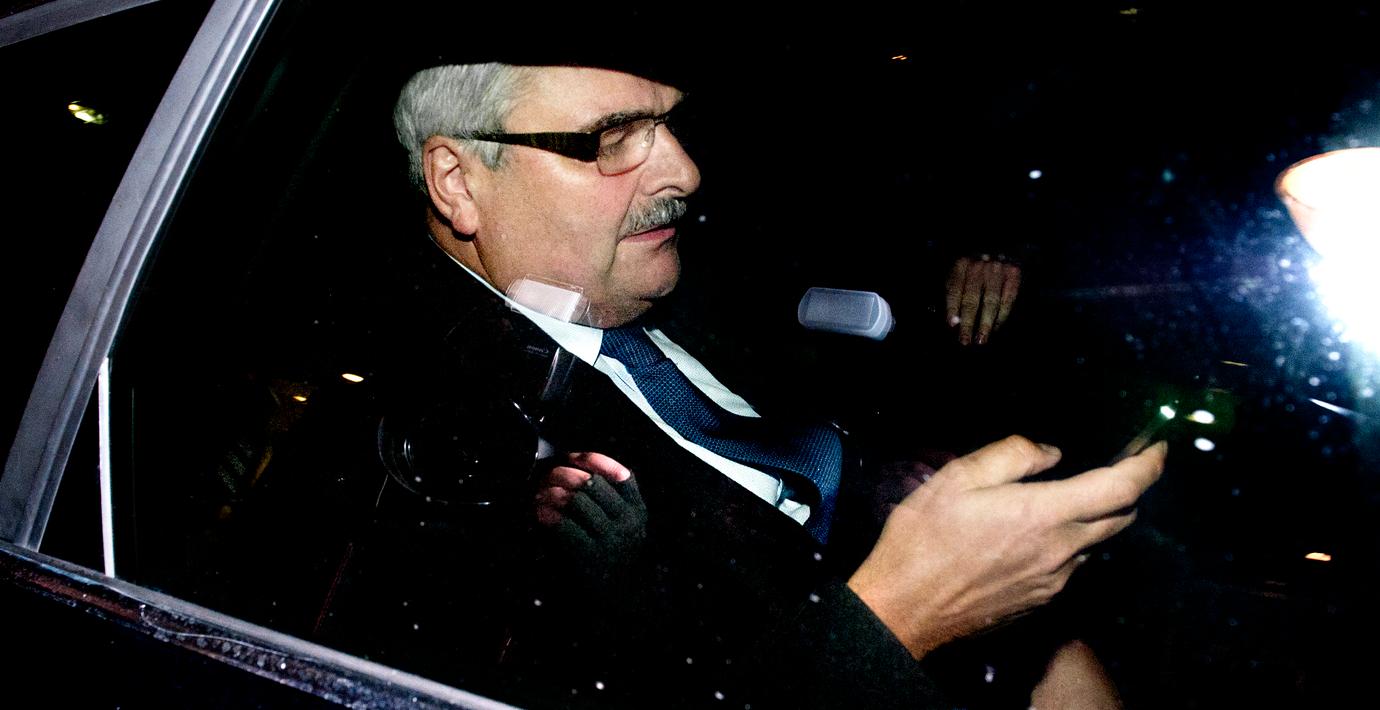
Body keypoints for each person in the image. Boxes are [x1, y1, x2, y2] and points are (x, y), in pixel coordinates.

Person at [371, 60, 1166, 709]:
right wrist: (904, 615)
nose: (684, 171)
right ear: (457, 181)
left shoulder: (679, 288)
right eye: (611, 139)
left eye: (668, 126)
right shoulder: (437, 445)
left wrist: (894, 491)